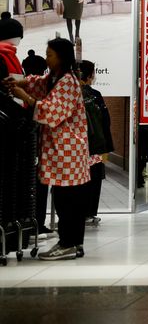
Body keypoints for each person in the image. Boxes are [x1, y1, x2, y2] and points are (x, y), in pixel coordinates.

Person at [4, 37, 90, 261]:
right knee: (64, 197)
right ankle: (70, 242)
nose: (47, 57)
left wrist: (25, 97)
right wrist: (18, 82)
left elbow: (52, 112)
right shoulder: (54, 78)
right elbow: (37, 82)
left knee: (67, 199)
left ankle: (70, 243)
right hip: (61, 150)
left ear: (61, 57)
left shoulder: (68, 81)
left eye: (50, 54)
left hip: (69, 151)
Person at [79, 60, 115, 227]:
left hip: (76, 147)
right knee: (93, 179)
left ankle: (79, 212)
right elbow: (105, 122)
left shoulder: (72, 94)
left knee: (79, 180)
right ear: (90, 75)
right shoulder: (95, 95)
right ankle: (89, 213)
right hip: (94, 146)